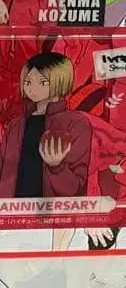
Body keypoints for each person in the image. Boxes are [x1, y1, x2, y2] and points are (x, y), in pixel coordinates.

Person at [0, 51, 92, 199]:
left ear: (60, 82)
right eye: (28, 82)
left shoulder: (76, 123)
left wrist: (57, 167)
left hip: (52, 209)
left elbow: (74, 188)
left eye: (42, 82)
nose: (32, 88)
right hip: (12, 207)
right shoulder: (15, 126)